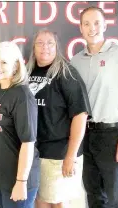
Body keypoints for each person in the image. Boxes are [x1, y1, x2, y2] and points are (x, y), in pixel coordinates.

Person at [70, 6, 118, 208]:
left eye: (96, 23)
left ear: (105, 25)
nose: (91, 28)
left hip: (112, 135)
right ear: (81, 28)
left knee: (116, 198)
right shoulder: (76, 61)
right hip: (87, 136)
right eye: (86, 23)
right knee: (93, 195)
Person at [26, 28, 92, 208]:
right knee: (39, 201)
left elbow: (80, 115)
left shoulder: (67, 73)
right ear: (33, 47)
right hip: (34, 152)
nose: (44, 47)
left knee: (58, 203)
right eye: (39, 43)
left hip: (58, 154)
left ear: (57, 47)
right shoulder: (27, 72)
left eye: (50, 43)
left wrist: (70, 156)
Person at [0, 41, 40, 208]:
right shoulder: (1, 90)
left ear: (16, 66)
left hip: (17, 179)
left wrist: (21, 181)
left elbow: (28, 142)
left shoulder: (22, 95)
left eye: (4, 62)